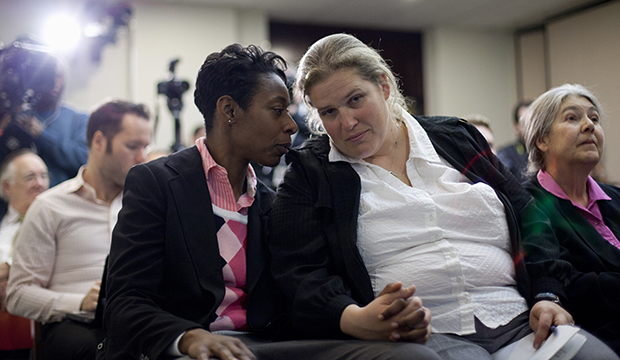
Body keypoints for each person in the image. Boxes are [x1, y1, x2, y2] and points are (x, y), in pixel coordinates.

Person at [269, 33, 618, 360]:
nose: (347, 123)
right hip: (426, 338)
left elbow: (529, 214)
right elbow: (297, 270)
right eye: (329, 112)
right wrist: (351, 316)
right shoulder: (312, 171)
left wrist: (547, 292)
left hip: (521, 322)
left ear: (384, 86)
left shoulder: (457, 137)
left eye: (355, 100)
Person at [102, 44, 442, 360]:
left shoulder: (272, 201)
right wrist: (189, 337)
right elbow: (124, 304)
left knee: (411, 356)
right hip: (192, 347)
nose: (291, 125)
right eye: (278, 111)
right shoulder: (156, 183)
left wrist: (371, 318)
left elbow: (296, 297)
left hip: (268, 346)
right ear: (229, 110)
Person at [5, 100, 151, 360]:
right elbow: (18, 295)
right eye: (132, 146)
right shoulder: (50, 207)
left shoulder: (146, 205)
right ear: (98, 141)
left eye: (145, 147)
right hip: (76, 327)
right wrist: (80, 303)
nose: (141, 158)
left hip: (139, 319)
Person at [521, 84, 620, 354]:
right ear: (542, 139)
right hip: (599, 333)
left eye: (594, 118)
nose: (589, 125)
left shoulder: (615, 196)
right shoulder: (530, 202)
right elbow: (567, 284)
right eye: (572, 117)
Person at [0, 149, 48, 357]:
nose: (40, 183)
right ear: (7, 187)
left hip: (43, 320)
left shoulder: (61, 222)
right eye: (30, 177)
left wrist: (13, 270)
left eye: (44, 176)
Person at [497, 101, 531, 182]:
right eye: (526, 122)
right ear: (516, 127)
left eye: (535, 121)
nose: (531, 126)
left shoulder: (549, 153)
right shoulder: (506, 155)